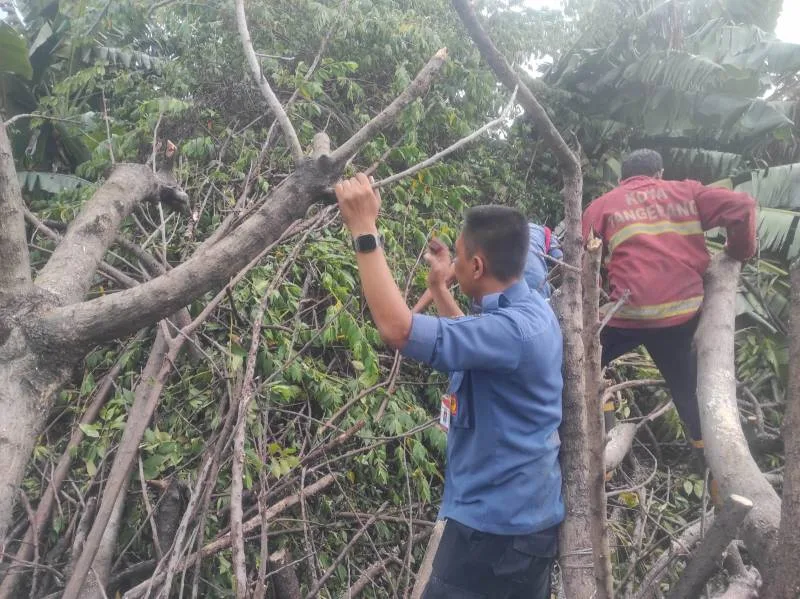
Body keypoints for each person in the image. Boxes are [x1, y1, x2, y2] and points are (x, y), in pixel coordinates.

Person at [335, 173, 564, 599]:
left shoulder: (511, 331)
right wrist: (440, 287)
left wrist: (365, 231)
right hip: (520, 528)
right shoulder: (527, 310)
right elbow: (477, 342)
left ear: (477, 266)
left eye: (458, 258)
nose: (454, 264)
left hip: (493, 537)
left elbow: (397, 329)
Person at [582, 149, 757, 464]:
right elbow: (742, 205)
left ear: (623, 178)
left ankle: (584, 446)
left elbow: (585, 264)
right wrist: (739, 251)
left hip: (627, 313)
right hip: (680, 315)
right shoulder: (686, 191)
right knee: (687, 388)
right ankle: (707, 458)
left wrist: (594, 305)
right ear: (659, 173)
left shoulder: (603, 205)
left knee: (579, 366)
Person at [412, 222, 562, 313]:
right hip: (534, 291)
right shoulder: (547, 234)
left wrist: (413, 313)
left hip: (519, 284)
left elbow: (446, 278)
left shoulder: (499, 237)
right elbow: (561, 262)